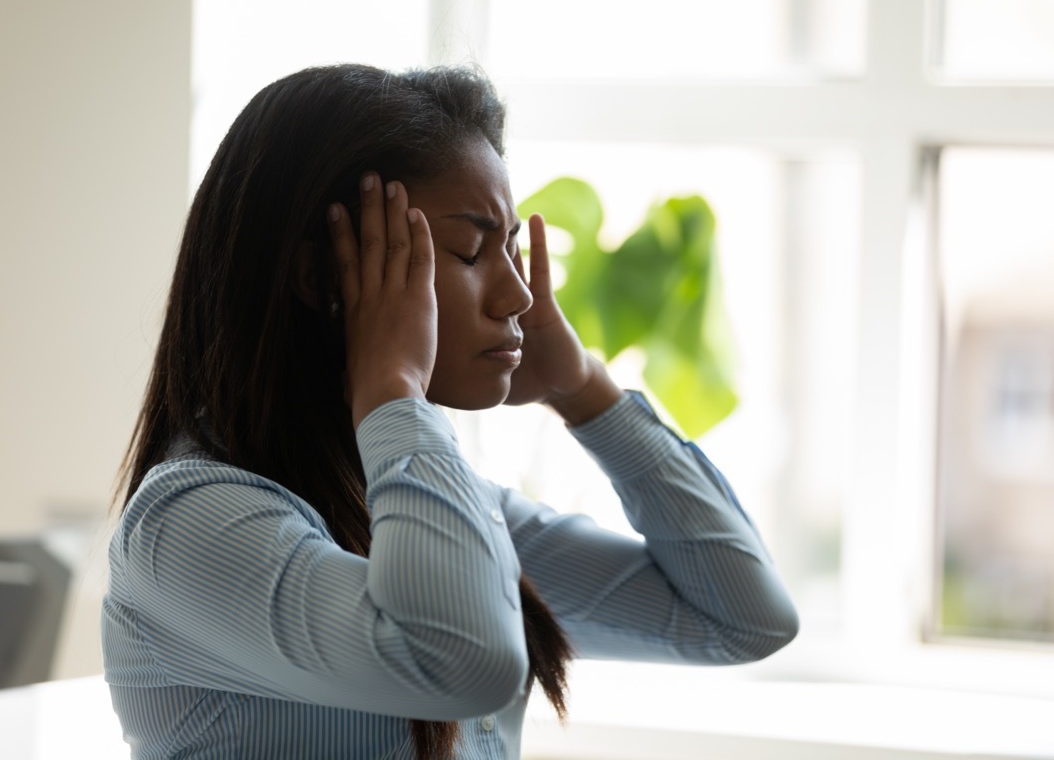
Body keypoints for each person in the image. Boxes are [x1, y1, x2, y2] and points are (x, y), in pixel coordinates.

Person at [101, 64, 798, 760]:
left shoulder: (438, 508)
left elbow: (742, 618)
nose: (520, 296)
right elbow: (460, 663)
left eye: (513, 249)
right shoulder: (187, 523)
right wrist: (393, 387)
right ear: (322, 277)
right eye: (470, 250)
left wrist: (582, 388)